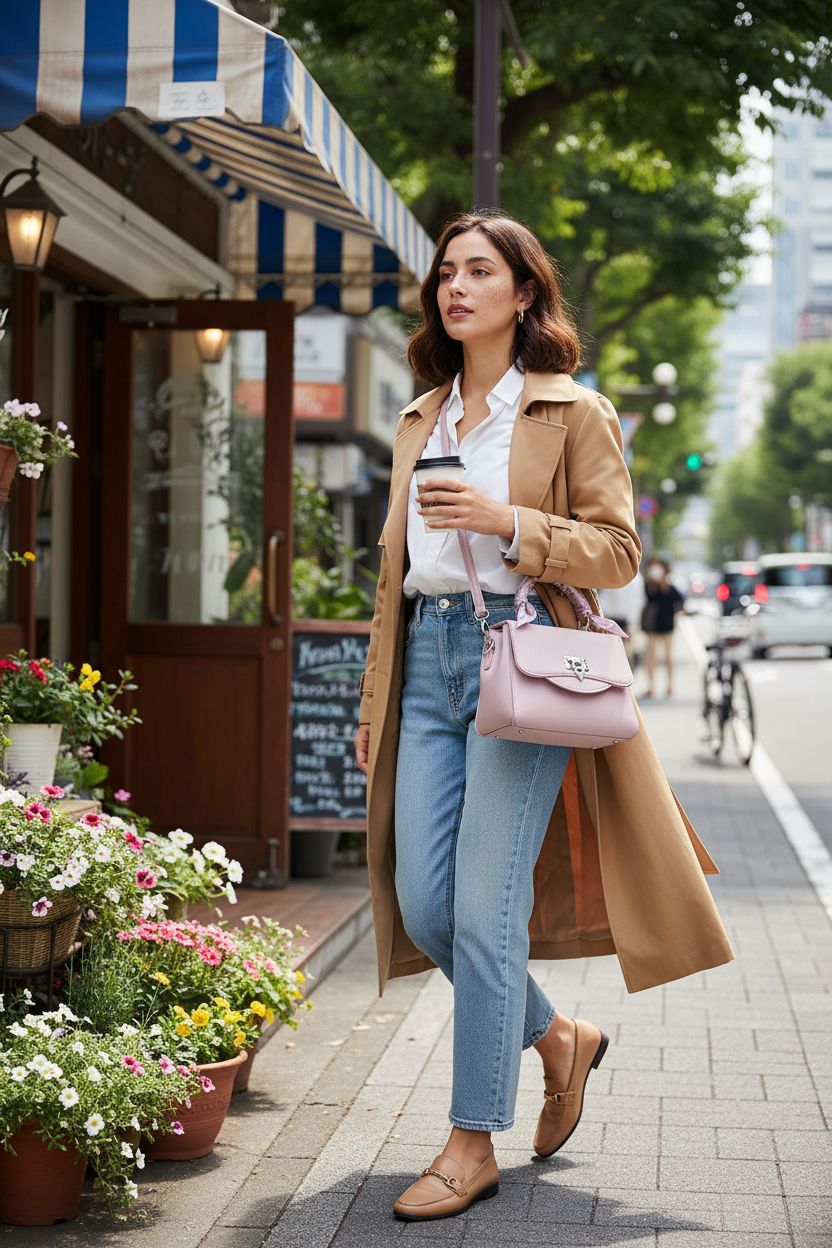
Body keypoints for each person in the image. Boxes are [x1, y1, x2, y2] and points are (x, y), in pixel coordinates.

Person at [353, 210, 734, 1223]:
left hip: (520, 667)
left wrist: (508, 523)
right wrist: (370, 701)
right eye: (446, 272)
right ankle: (559, 1037)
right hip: (427, 665)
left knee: (485, 910)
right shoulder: (420, 417)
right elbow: (391, 575)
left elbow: (617, 551)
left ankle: (470, 1138)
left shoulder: (571, 411)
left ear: (524, 294)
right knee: (424, 903)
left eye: (480, 271)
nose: (455, 286)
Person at [640, 557, 686, 698]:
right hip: (652, 627)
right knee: (650, 657)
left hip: (667, 627)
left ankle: (670, 685)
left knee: (668, 657)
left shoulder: (670, 588)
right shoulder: (648, 587)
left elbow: (680, 601)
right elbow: (646, 600)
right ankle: (651, 685)